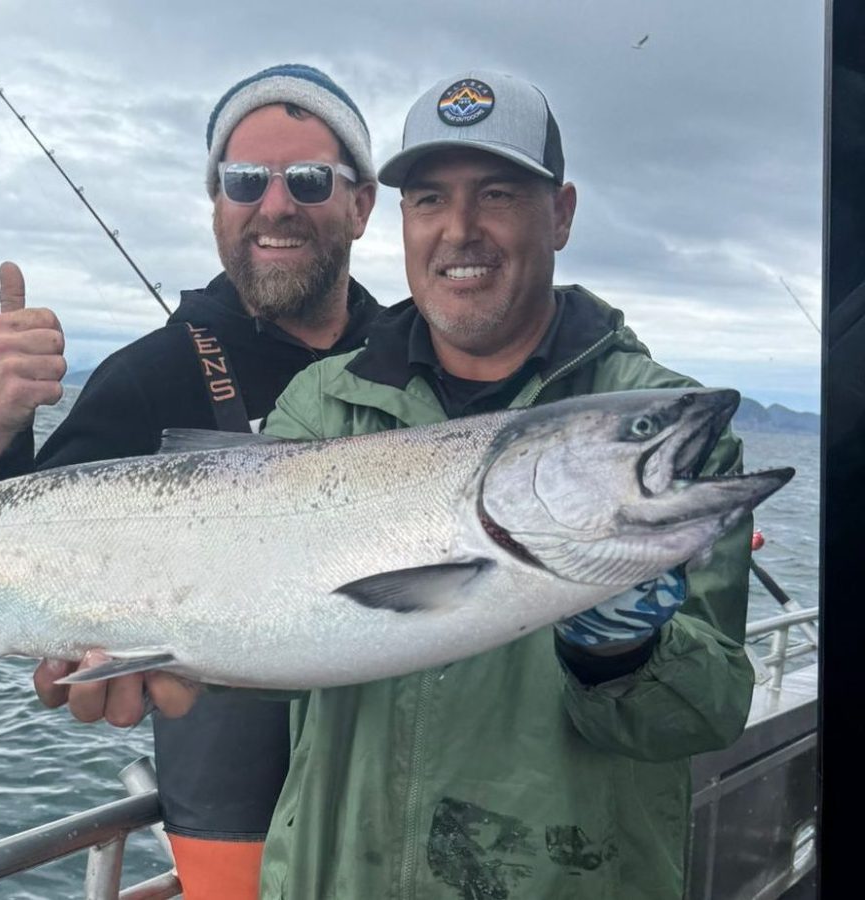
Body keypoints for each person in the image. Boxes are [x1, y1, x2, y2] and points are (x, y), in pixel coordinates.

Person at [245, 70, 756, 898]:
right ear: (402, 221)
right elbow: (259, 618)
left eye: (499, 195)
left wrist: (628, 654)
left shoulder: (665, 434)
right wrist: (153, 649)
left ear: (560, 215)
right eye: (430, 200)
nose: (460, 231)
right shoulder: (322, 404)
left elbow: (706, 715)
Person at [0, 63, 380, 899]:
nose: (276, 205)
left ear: (362, 204)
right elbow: (2, 554)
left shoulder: (416, 361)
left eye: (311, 179)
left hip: (406, 793)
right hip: (232, 817)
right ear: (217, 204)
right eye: (245, 180)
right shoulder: (150, 376)